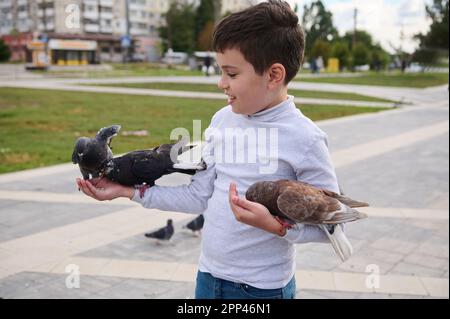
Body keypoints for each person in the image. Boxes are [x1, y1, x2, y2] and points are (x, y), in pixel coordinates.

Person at [77, 0, 340, 299]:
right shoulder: (222, 120)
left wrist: (278, 227)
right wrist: (127, 191)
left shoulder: (306, 139)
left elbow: (329, 229)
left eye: (231, 74)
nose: (220, 83)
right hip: (208, 277)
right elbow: (198, 196)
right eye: (220, 72)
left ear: (273, 75)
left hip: (261, 290)